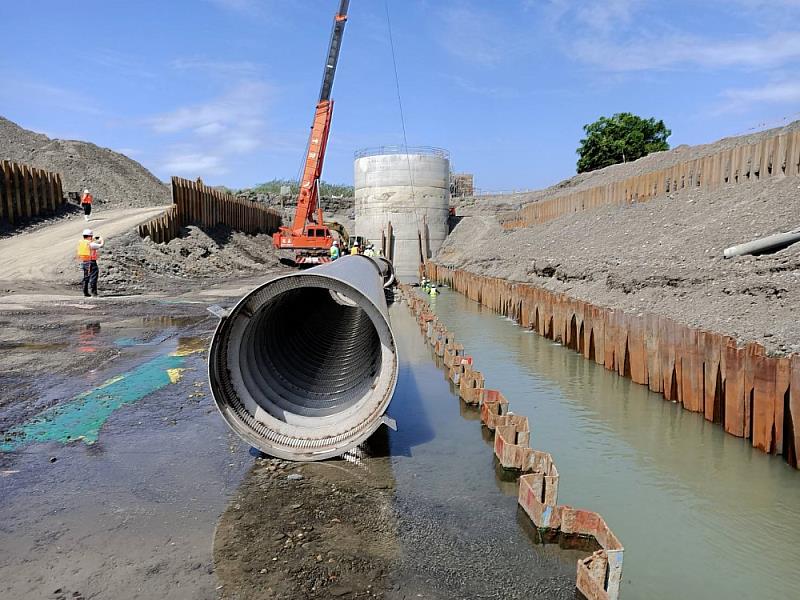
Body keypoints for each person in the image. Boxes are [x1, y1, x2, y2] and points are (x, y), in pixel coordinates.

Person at [76, 228, 104, 297]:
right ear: (89, 236)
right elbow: (101, 245)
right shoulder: (91, 244)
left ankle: (85, 292)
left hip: (84, 261)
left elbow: (89, 242)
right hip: (91, 262)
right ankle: (94, 293)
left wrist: (93, 239)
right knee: (93, 277)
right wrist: (102, 240)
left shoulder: (82, 242)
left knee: (86, 278)